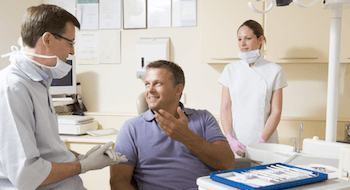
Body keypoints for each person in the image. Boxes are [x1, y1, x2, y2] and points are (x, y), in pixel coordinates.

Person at [0, 4, 126, 190]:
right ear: (48, 39)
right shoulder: (13, 88)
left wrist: (80, 157)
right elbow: (27, 175)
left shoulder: (39, 82)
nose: (72, 52)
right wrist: (83, 166)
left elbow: (47, 151)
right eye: (71, 43)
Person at [110, 60, 235, 190]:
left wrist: (186, 136)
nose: (150, 90)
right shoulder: (131, 128)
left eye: (157, 83)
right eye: (147, 84)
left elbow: (227, 163)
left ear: (178, 89)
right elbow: (118, 182)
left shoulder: (204, 118)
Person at [219, 20, 288, 157]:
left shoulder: (275, 70)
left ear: (260, 39)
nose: (242, 44)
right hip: (237, 143)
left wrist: (261, 141)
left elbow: (276, 111)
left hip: (266, 144)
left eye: (248, 39)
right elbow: (225, 108)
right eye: (239, 39)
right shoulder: (230, 70)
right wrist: (229, 138)